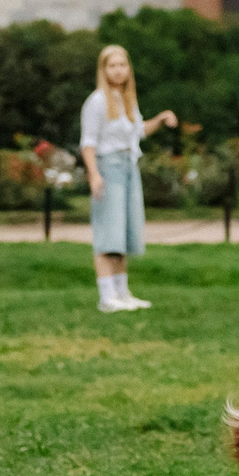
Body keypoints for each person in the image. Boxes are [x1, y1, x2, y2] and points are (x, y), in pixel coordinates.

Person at [80, 44, 176, 312]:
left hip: (128, 165)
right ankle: (107, 296)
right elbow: (88, 142)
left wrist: (160, 119)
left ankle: (122, 293)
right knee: (108, 233)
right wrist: (94, 174)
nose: (118, 70)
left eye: (122, 65)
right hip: (107, 167)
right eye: (112, 66)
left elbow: (138, 132)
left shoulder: (127, 100)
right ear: (104, 69)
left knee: (124, 233)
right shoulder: (97, 102)